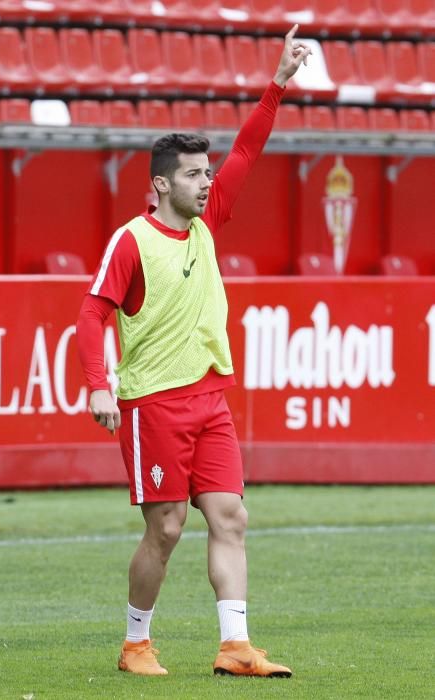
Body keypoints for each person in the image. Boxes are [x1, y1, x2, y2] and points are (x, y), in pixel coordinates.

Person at [76, 24, 311, 678]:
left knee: (230, 516)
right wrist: (99, 384)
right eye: (191, 175)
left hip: (209, 398)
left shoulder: (210, 219)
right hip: (152, 402)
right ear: (158, 186)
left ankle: (235, 646)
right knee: (167, 528)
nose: (206, 183)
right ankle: (135, 644)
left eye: (206, 173)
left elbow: (247, 149)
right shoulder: (131, 242)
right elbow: (90, 313)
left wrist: (279, 82)